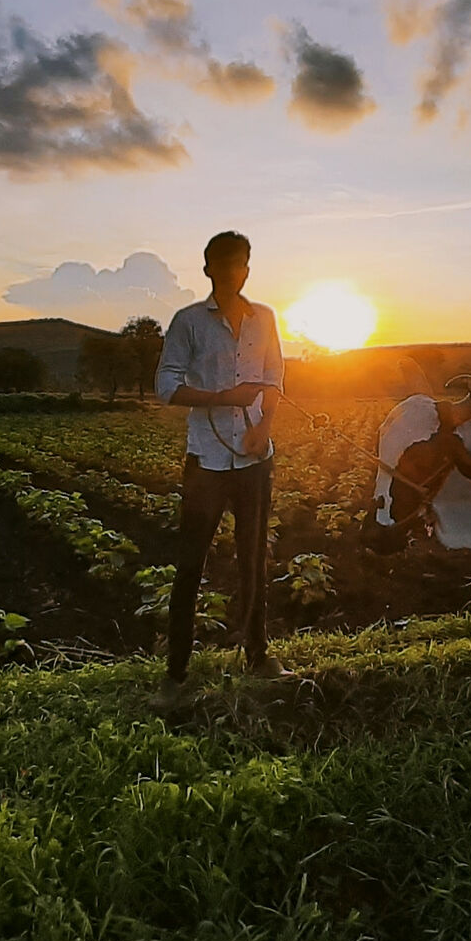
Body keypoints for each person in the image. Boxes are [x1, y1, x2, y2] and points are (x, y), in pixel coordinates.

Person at [152, 230, 287, 700]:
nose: (232, 272)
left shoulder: (265, 318)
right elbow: (166, 384)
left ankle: (258, 653)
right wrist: (219, 399)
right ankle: (176, 674)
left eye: (240, 264)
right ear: (207, 268)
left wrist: (264, 429)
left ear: (248, 269)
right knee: (191, 564)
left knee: (254, 559)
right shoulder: (188, 321)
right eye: (222, 264)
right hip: (206, 463)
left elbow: (274, 378)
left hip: (255, 460)